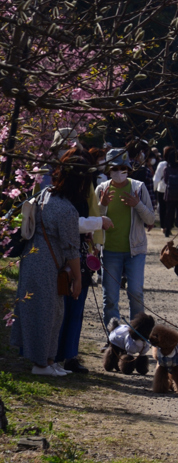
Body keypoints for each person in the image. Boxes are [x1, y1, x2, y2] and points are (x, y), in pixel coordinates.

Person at [11, 152, 85, 376]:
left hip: (33, 259)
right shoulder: (67, 210)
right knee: (46, 313)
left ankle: (49, 361)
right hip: (48, 264)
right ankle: (41, 364)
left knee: (50, 311)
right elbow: (72, 249)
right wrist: (78, 279)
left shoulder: (45, 195)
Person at [56, 147, 113, 374]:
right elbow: (72, 223)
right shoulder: (58, 196)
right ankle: (56, 355)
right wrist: (97, 223)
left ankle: (70, 355)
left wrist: (92, 239)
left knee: (76, 309)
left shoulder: (81, 193)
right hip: (63, 257)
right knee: (63, 308)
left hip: (81, 253)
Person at [96, 149, 156, 326]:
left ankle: (137, 337)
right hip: (109, 252)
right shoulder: (102, 189)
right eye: (115, 168)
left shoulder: (138, 187)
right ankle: (113, 339)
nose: (119, 172)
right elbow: (94, 220)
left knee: (136, 293)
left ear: (128, 169)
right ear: (108, 170)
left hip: (135, 251)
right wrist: (102, 205)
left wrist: (137, 205)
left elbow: (151, 219)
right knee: (110, 299)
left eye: (123, 168)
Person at [159, 146, 178, 237]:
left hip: (170, 194)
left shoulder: (166, 168)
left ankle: (167, 229)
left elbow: (165, 180)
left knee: (169, 212)